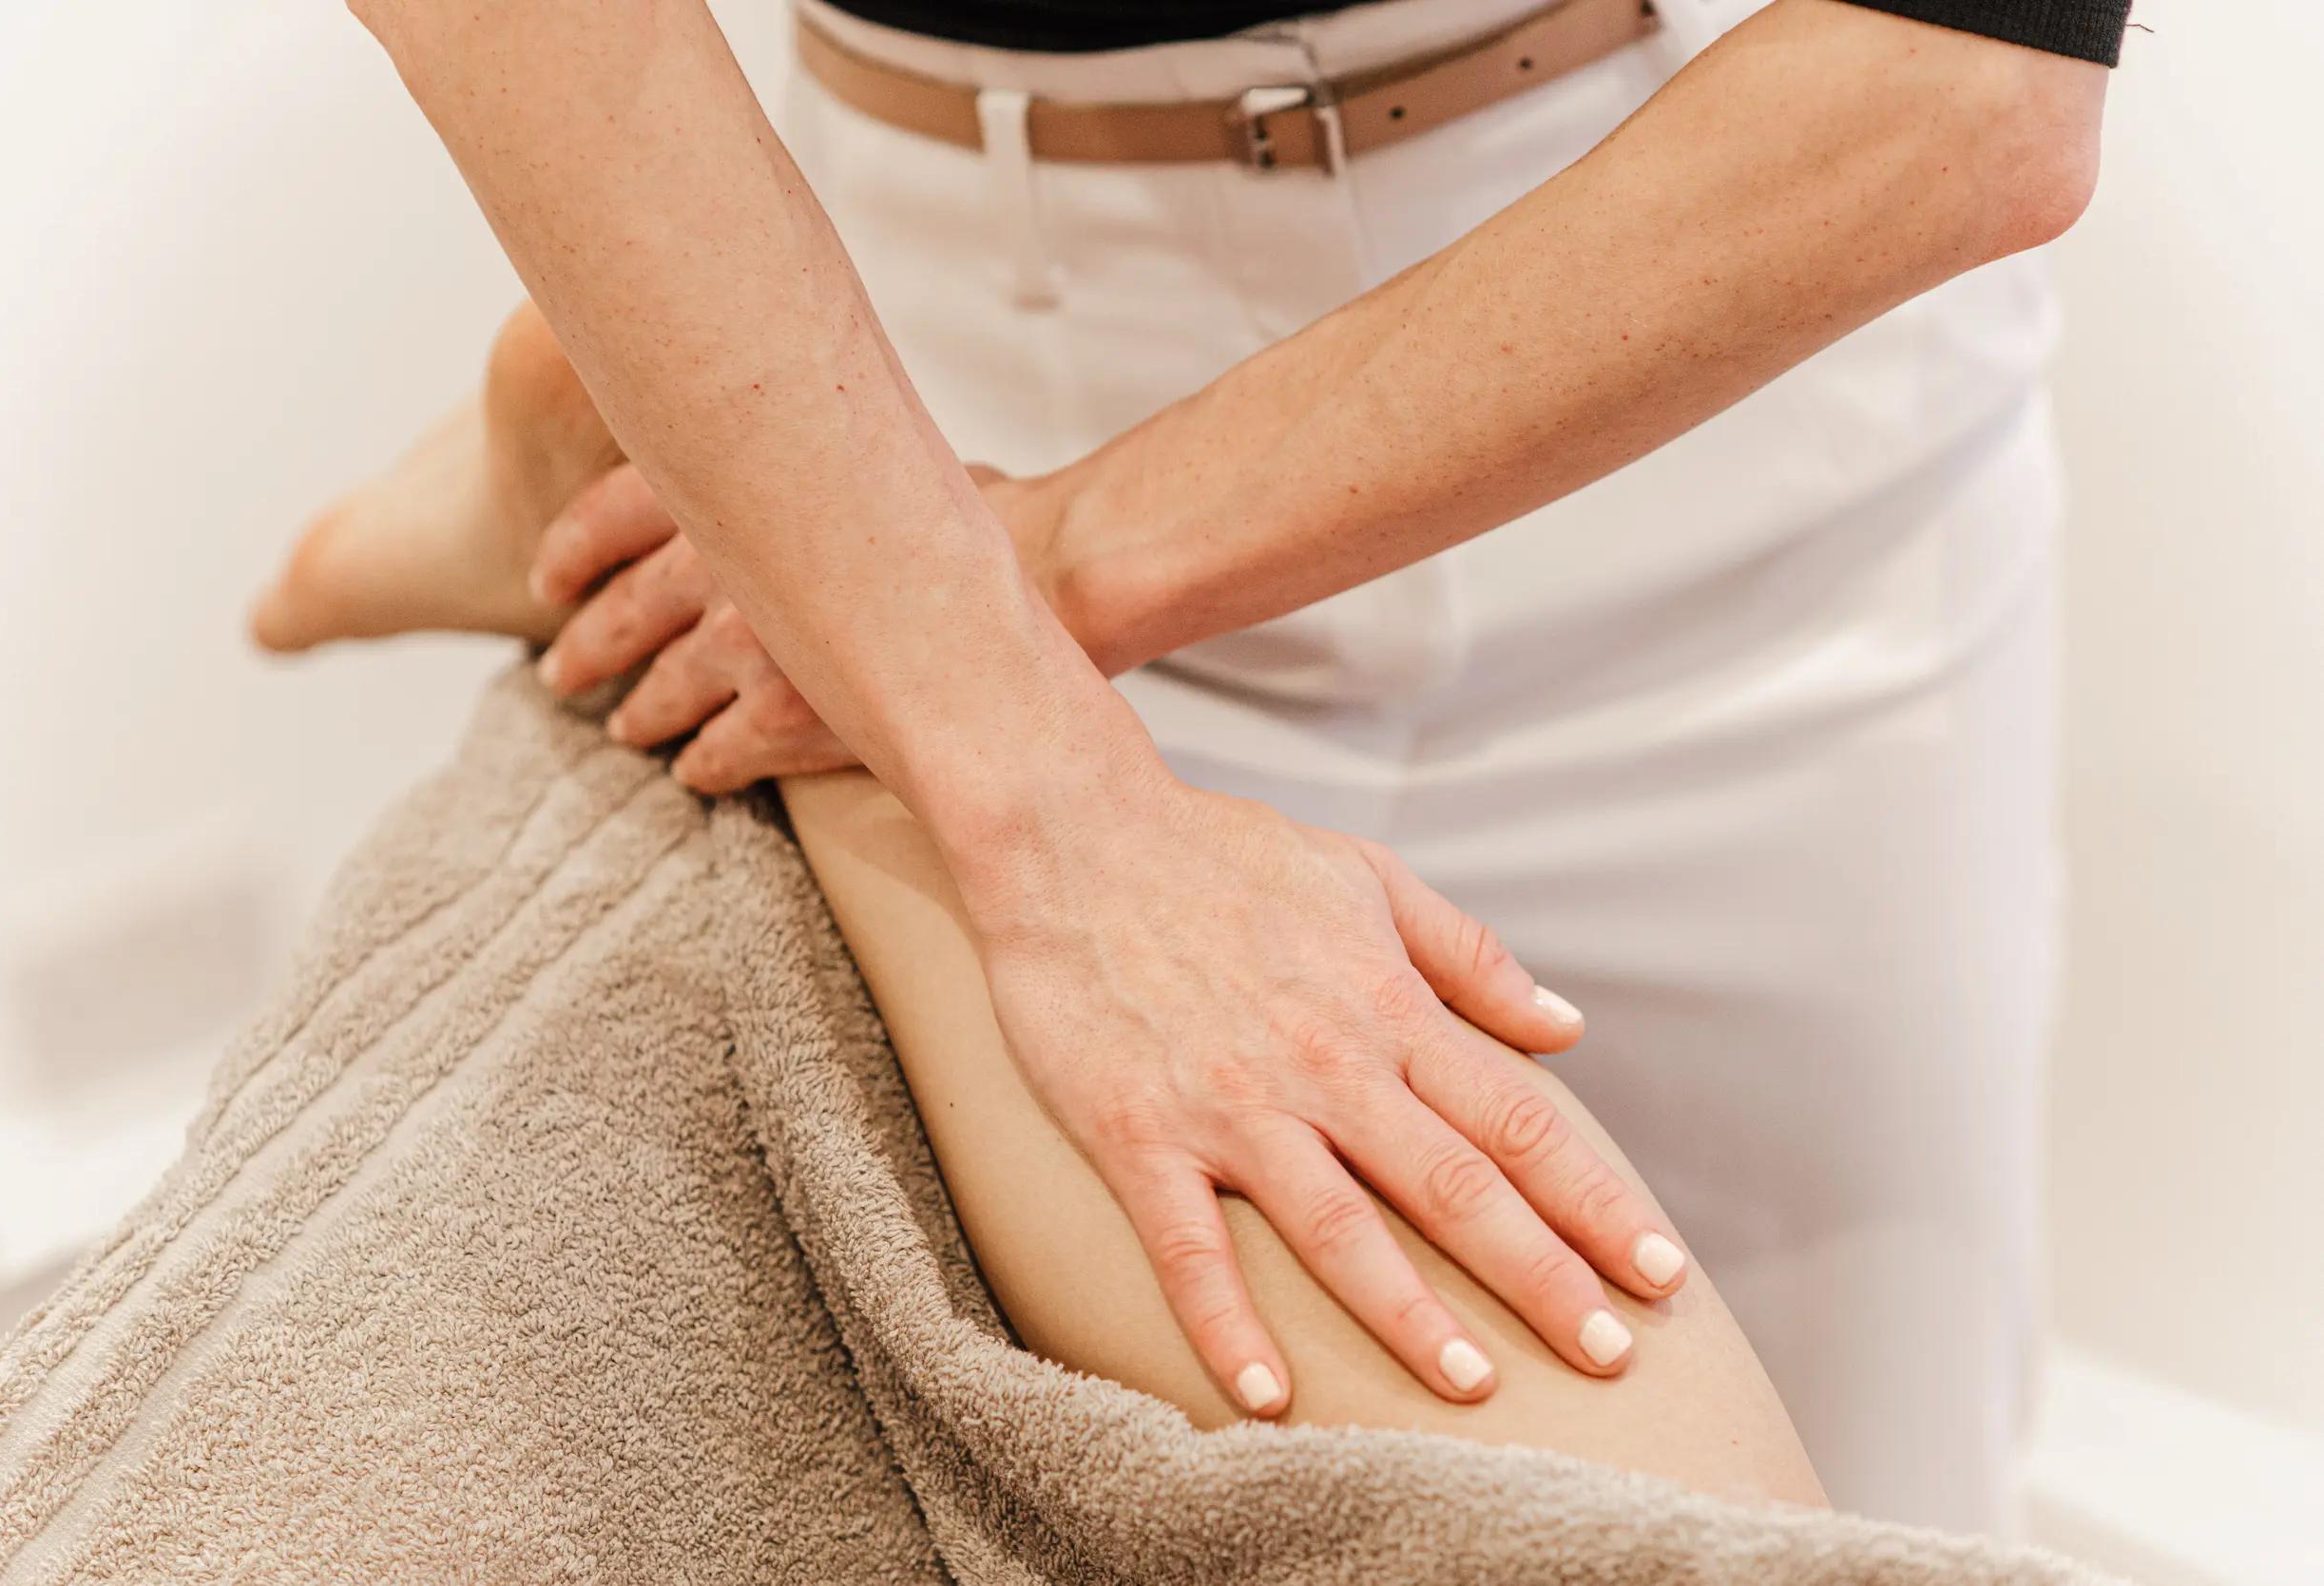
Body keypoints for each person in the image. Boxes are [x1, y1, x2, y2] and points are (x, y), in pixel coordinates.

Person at [267, 0, 2124, 1531]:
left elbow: (1968, 89)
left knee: (1883, 1498)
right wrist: (1032, 785)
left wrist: (1011, 587)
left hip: (1705, 373)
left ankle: (569, 476)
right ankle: (586, 468)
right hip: (917, 378)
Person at [265, 298, 1827, 1509]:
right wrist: (964, 693)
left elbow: (1971, 101)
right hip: (943, 346)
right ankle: (655, 507)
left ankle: (620, 506)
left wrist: (982, 580)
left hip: (1726, 462)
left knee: (1907, 1426)